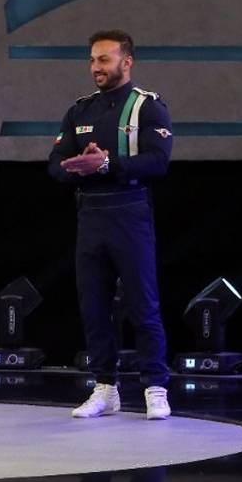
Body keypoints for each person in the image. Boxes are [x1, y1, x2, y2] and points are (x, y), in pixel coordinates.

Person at [49, 30, 172, 420]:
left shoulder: (148, 107)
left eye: (104, 59)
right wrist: (78, 166)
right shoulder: (80, 111)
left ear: (126, 61)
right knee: (94, 307)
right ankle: (105, 387)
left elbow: (158, 161)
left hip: (130, 212)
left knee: (143, 305)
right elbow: (55, 166)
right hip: (90, 216)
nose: (95, 67)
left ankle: (155, 387)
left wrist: (107, 164)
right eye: (92, 60)